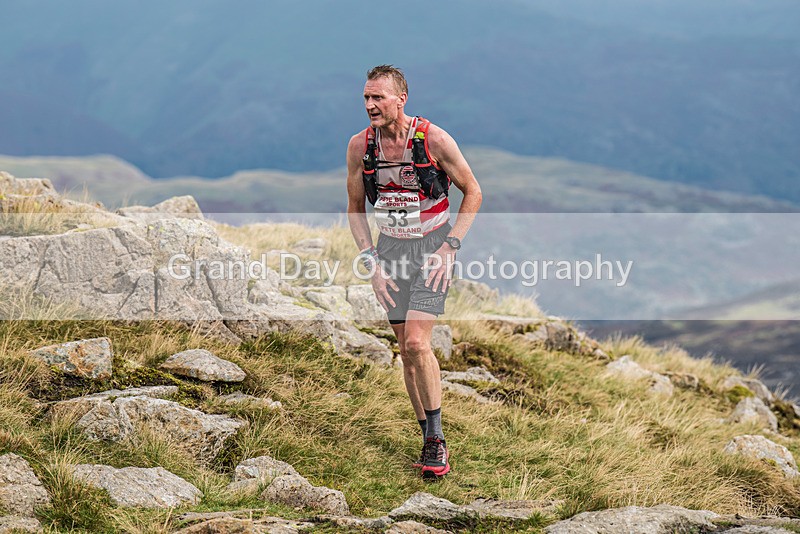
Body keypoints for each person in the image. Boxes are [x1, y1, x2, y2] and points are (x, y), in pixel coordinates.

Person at [346, 65, 482, 479]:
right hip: (389, 250)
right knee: (405, 348)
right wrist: (371, 263)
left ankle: (437, 440)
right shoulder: (359, 147)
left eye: (378, 98)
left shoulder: (434, 139)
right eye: (366, 97)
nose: (370, 105)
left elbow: (473, 192)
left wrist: (450, 247)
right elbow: (354, 209)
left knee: (420, 343)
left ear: (400, 99)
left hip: (431, 249)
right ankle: (426, 436)